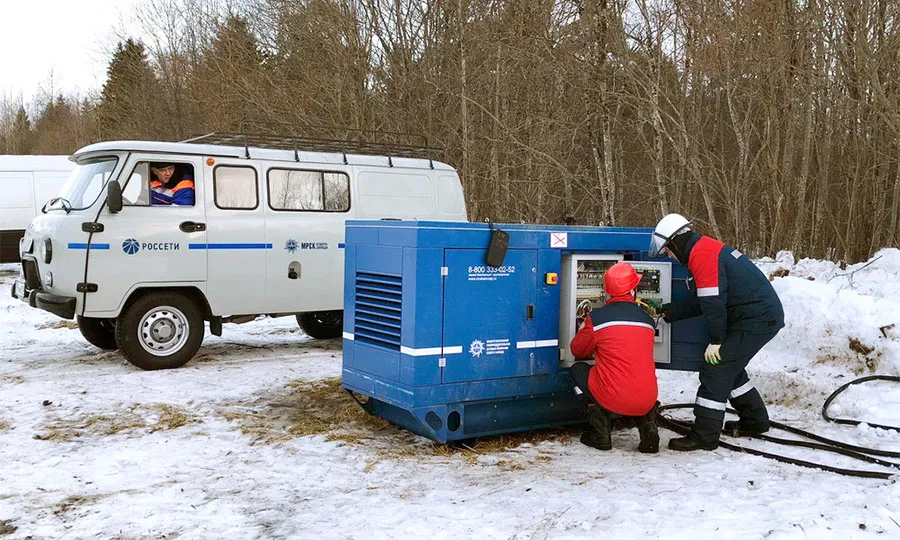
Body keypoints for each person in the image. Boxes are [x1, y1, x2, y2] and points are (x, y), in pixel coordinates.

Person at [648, 213, 784, 451]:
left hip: (756, 320)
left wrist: (717, 341)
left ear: (676, 242)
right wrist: (667, 312)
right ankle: (755, 422)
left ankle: (704, 436)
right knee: (731, 368)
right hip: (759, 316)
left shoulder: (702, 255)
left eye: (668, 251)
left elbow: (712, 303)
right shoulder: (705, 249)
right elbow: (700, 299)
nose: (669, 256)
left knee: (716, 368)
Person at [569, 262, 660, 453]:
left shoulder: (597, 319)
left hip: (612, 397)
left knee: (577, 370)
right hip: (648, 399)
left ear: (607, 291)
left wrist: (583, 331)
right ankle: (648, 428)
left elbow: (577, 351)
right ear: (633, 290)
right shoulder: (648, 320)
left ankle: (600, 433)